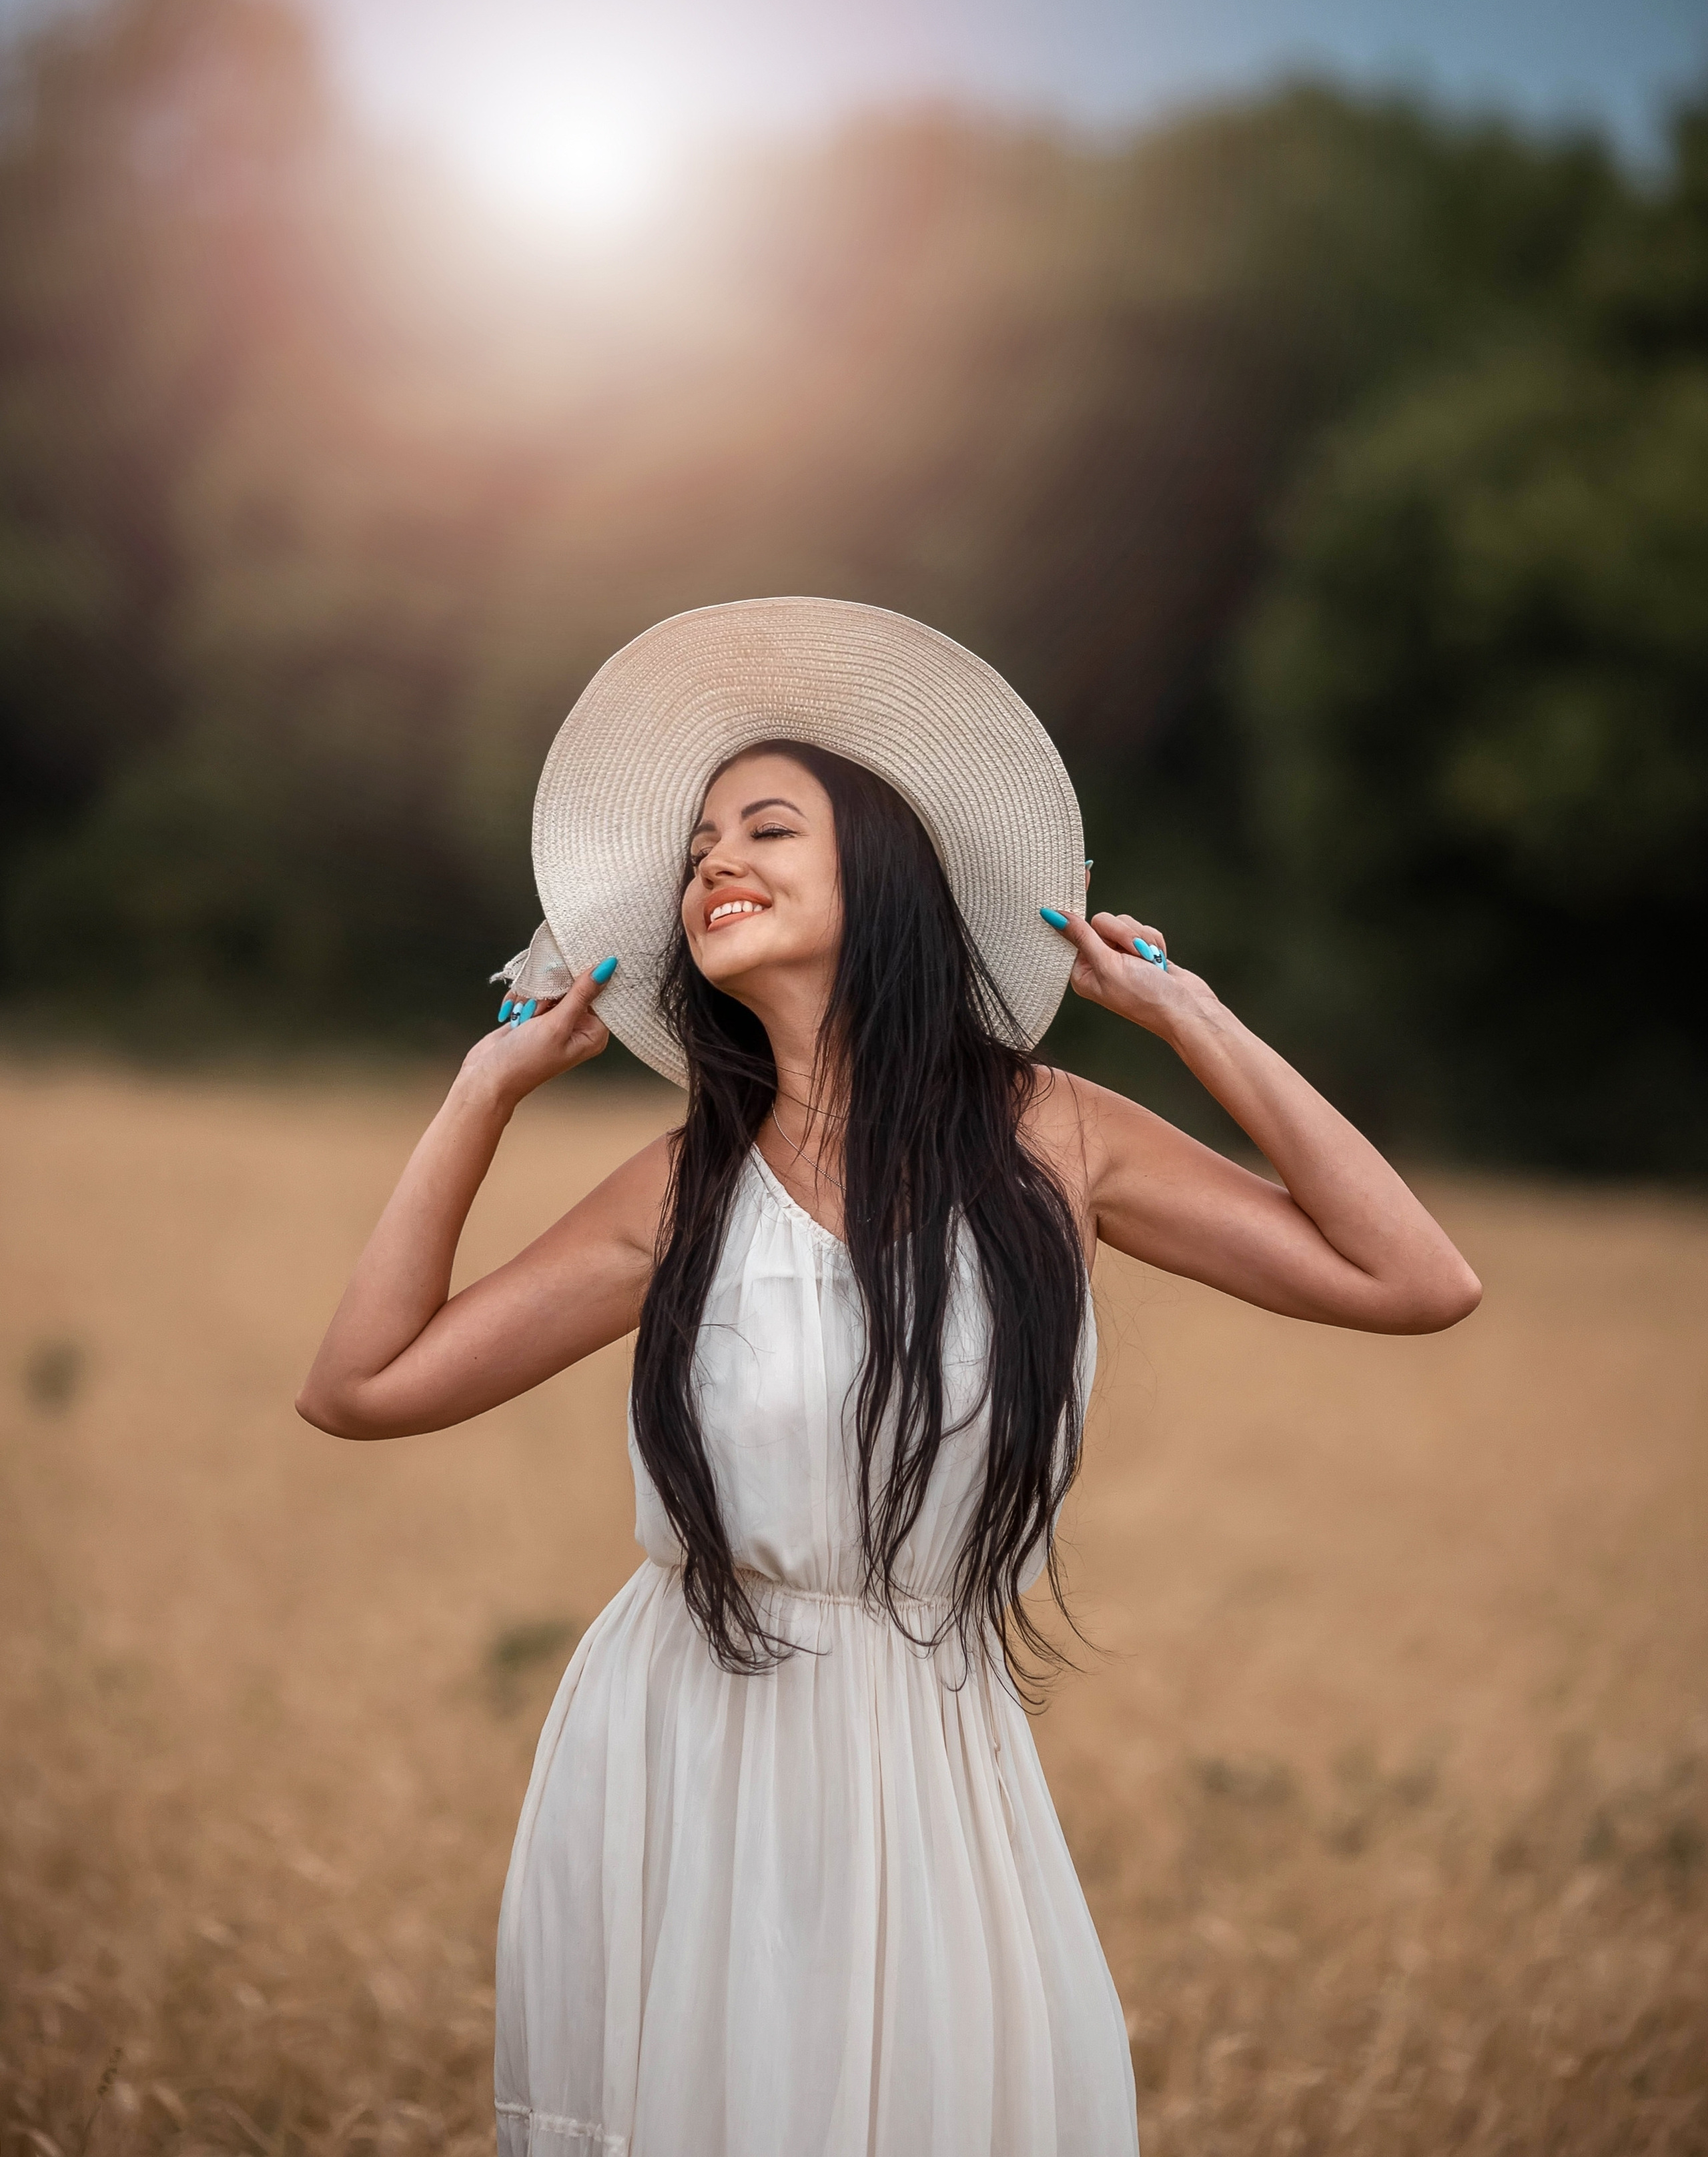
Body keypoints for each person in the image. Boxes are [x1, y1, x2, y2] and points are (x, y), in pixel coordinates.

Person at [297, 598, 1480, 2157]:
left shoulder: (1050, 1134)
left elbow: (1414, 1279)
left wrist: (1192, 1020)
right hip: (681, 1743)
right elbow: (363, 1386)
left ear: (888, 872)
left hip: (930, 1741)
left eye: (764, 828)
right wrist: (482, 1091)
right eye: (699, 846)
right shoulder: (682, 1188)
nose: (713, 861)